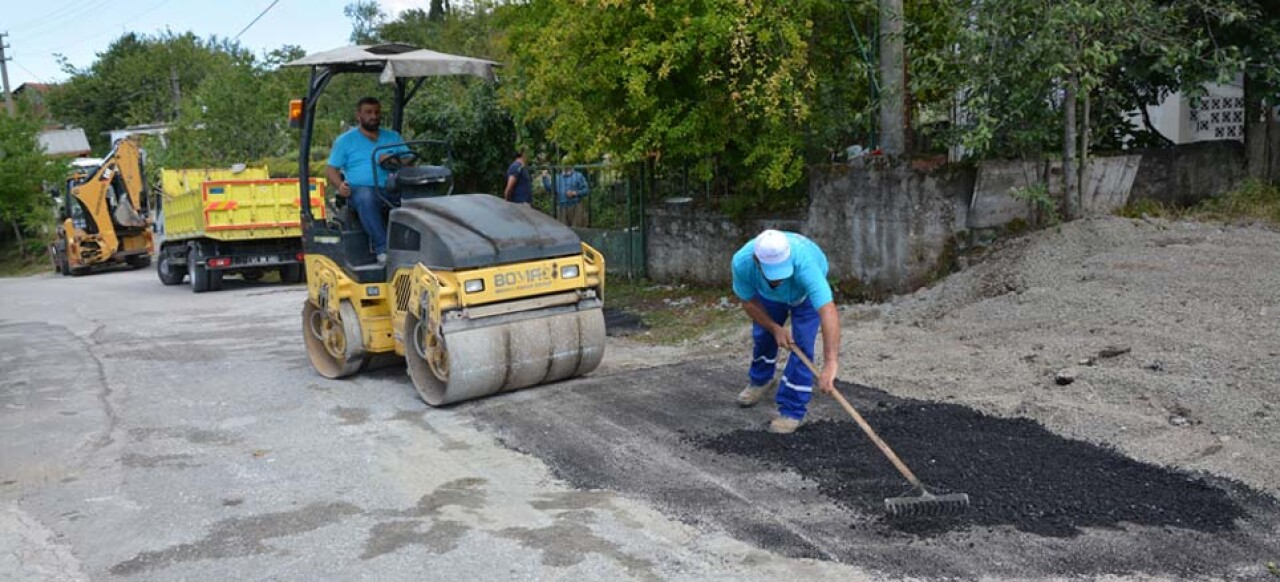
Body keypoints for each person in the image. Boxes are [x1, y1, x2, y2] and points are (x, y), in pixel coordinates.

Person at [731, 229, 842, 434]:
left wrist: (831, 362)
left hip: (803, 296)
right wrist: (775, 328)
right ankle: (761, 380)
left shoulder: (806, 265)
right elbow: (747, 301)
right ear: (757, 261)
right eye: (773, 275)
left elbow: (828, 310)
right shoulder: (743, 263)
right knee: (764, 336)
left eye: (782, 273)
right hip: (769, 296)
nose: (779, 280)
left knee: (802, 347)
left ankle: (792, 410)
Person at [325, 96, 408, 263]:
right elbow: (330, 169)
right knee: (366, 197)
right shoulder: (345, 141)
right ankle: (383, 250)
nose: (374, 116)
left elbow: (409, 160)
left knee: (420, 195)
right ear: (359, 116)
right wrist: (340, 186)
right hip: (361, 191)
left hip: (392, 188)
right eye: (368, 112)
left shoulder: (392, 137)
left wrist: (393, 160)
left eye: (377, 112)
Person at [541, 162, 590, 227]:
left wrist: (575, 193)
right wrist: (544, 178)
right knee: (563, 230)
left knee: (577, 229)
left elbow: (586, 190)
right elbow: (550, 189)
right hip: (562, 208)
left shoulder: (578, 176)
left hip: (576, 207)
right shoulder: (558, 178)